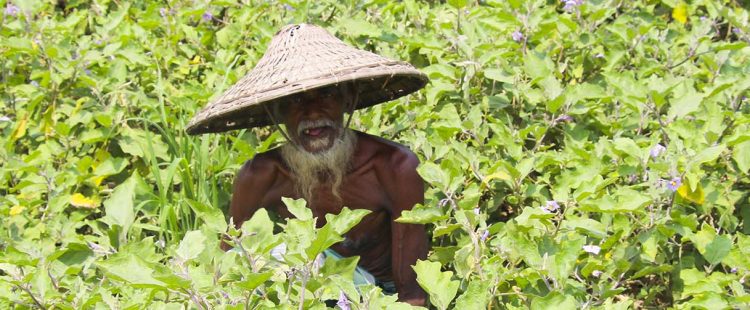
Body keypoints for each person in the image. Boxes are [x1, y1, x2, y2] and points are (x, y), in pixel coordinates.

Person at [186, 24, 429, 305]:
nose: (312, 112)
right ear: (275, 111)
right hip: (306, 290)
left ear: (348, 99)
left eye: (326, 95)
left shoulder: (393, 167)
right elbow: (229, 255)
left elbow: (412, 293)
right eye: (296, 100)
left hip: (376, 296)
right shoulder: (262, 175)